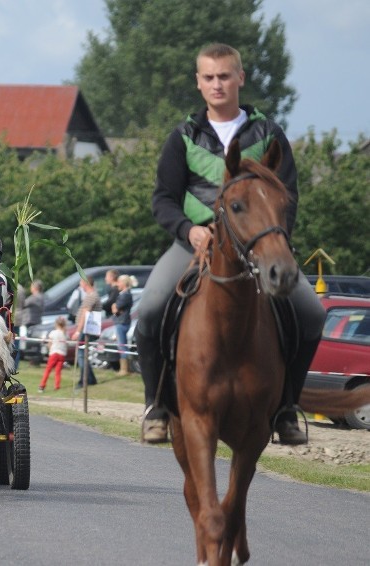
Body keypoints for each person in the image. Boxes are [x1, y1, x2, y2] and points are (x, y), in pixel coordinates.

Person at [135, 43, 326, 445]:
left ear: (240, 78)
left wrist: (274, 243)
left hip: (257, 248)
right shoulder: (183, 136)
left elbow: (287, 196)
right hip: (195, 245)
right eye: (209, 77)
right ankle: (155, 406)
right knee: (150, 309)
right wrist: (190, 230)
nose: (217, 84)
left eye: (225, 76)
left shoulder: (268, 133)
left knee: (311, 313)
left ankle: (287, 409)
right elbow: (163, 200)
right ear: (199, 83)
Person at [71, 276, 101, 387]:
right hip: (86, 329)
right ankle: (91, 379)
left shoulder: (91, 296)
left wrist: (78, 331)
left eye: (81, 283)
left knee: (81, 356)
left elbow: (85, 314)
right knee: (83, 355)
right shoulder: (92, 295)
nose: (80, 286)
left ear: (85, 283)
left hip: (85, 330)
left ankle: (84, 380)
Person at [111, 274, 137, 376]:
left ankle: (125, 369)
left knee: (122, 345)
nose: (117, 284)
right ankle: (126, 368)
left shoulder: (125, 295)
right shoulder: (124, 294)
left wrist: (114, 307)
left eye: (119, 282)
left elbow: (115, 308)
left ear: (124, 283)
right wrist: (115, 308)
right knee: (122, 345)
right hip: (121, 321)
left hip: (122, 322)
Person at [39, 316, 68, 392]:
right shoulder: (65, 334)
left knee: (48, 370)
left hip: (54, 353)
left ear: (56, 324)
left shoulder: (53, 333)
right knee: (58, 371)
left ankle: (42, 385)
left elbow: (50, 343)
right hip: (62, 354)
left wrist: (49, 348)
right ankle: (57, 386)